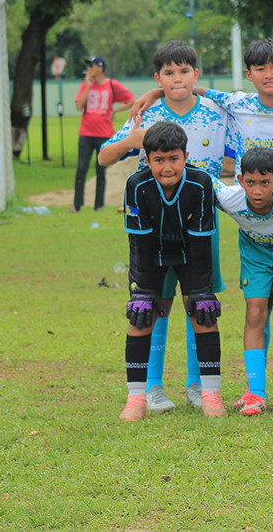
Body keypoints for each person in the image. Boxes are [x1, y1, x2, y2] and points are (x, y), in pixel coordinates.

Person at [128, 38, 273, 405]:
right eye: (260, 69)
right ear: (248, 75)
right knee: (248, 307)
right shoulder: (237, 104)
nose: (268, 74)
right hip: (251, 231)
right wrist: (157, 91)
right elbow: (187, 86)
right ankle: (252, 389)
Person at [99, 41, 228, 413]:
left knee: (199, 301)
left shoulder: (217, 112)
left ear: (196, 74)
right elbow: (106, 155)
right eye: (167, 74)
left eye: (183, 71)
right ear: (158, 77)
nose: (176, 79)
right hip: (153, 225)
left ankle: (197, 385)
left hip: (200, 220)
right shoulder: (145, 111)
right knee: (156, 303)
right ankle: (151, 387)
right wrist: (133, 139)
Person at [117, 121, 225, 420]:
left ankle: (210, 394)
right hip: (151, 255)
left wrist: (202, 289)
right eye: (159, 160)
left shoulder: (201, 183)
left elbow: (201, 242)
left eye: (174, 158)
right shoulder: (135, 185)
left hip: (192, 254)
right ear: (147, 159)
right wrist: (142, 290)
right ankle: (136, 398)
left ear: (185, 155)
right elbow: (139, 242)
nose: (167, 167)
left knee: (203, 311)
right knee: (141, 315)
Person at [212, 147, 273, 415]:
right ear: (240, 180)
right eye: (251, 183)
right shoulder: (229, 198)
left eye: (265, 183)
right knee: (255, 313)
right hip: (256, 255)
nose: (257, 191)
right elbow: (202, 179)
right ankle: (255, 393)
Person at [72, 56, 134, 212]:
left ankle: (98, 206)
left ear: (100, 68)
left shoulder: (112, 85)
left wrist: (115, 110)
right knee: (81, 170)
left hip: (104, 134)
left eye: (91, 66)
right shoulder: (86, 85)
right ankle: (77, 205)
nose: (89, 69)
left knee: (101, 171)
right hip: (86, 133)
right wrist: (87, 86)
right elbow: (79, 106)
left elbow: (131, 100)